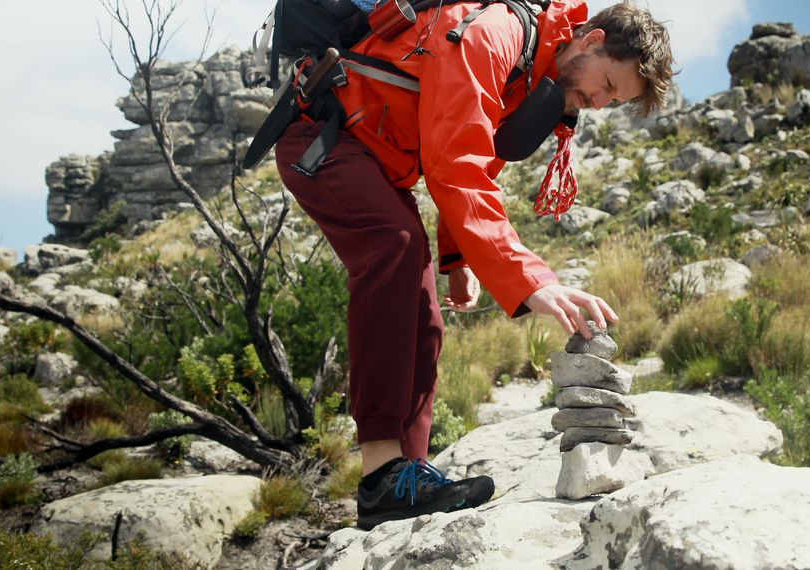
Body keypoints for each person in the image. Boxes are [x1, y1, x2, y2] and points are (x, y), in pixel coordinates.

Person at [274, 0, 673, 530]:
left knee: (424, 310)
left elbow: (476, 159)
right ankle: (380, 475)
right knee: (393, 246)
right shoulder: (494, 35)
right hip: (320, 137)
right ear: (592, 39)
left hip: (372, 159)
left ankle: (406, 476)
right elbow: (454, 163)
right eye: (606, 85)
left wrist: (457, 257)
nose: (598, 103)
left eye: (612, 101)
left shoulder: (531, 77)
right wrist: (533, 281)